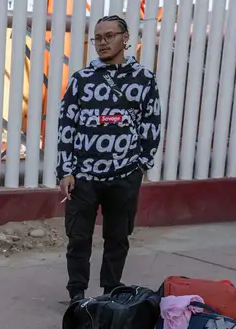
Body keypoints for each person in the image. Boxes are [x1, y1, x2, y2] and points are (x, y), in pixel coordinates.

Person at [57, 15, 162, 303]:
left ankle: (111, 293)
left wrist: (141, 164)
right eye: (97, 38)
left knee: (117, 238)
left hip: (124, 174)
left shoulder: (144, 79)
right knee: (78, 238)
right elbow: (67, 126)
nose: (102, 43)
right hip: (83, 176)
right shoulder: (81, 80)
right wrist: (65, 170)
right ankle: (77, 295)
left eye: (109, 36)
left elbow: (151, 123)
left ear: (125, 39)